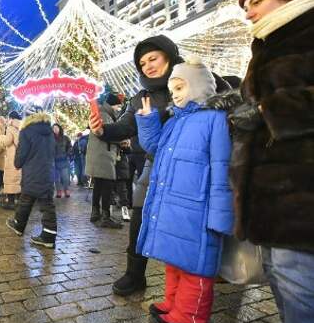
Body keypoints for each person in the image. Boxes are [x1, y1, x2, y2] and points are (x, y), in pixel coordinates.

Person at [209, 0, 314, 323]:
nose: (247, 10)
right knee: (285, 289)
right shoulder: (268, 45)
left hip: (302, 204)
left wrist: (268, 111)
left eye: (256, 0)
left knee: (303, 295)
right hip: (272, 204)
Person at [90, 35, 231, 296]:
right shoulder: (140, 97)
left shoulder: (194, 75)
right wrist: (101, 131)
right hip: (154, 164)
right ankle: (134, 273)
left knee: (191, 222)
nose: (148, 66)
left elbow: (227, 99)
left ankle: (198, 281)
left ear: (168, 54)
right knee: (140, 213)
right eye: (142, 63)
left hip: (194, 166)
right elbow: (125, 127)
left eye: (153, 58)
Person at [136, 58, 233, 323]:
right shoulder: (174, 122)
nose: (175, 93)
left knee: (196, 266)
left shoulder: (215, 121)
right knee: (175, 259)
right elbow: (154, 146)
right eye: (172, 88)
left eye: (180, 87)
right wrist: (148, 121)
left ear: (199, 87)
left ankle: (191, 317)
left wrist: (219, 216)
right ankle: (173, 303)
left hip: (198, 210)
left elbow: (222, 168)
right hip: (174, 206)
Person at [6, 105, 57, 248]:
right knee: (44, 203)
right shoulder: (49, 131)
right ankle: (46, 233)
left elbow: (22, 153)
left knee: (26, 200)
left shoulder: (26, 131)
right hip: (47, 172)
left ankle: (21, 226)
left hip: (32, 172)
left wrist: (17, 163)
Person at [85, 95, 123, 228]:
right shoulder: (105, 115)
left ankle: (95, 213)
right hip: (103, 156)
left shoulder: (102, 113)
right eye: (118, 106)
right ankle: (105, 216)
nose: (119, 109)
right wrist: (122, 141)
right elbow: (105, 133)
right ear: (112, 105)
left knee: (99, 184)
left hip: (99, 155)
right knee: (106, 185)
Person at [0, 111, 22, 210]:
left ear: (11, 118)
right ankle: (19, 201)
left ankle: (11, 202)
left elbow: (8, 141)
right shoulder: (21, 127)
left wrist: (1, 137)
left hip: (12, 157)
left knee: (10, 178)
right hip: (19, 156)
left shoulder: (11, 127)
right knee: (18, 178)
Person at [52, 123, 72, 198]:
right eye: (54, 128)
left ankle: (66, 190)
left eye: (56, 128)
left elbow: (70, 146)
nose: (55, 129)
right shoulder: (51, 139)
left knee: (65, 177)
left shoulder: (65, 138)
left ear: (60, 128)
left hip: (64, 160)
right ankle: (59, 191)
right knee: (57, 178)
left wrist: (67, 154)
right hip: (55, 161)